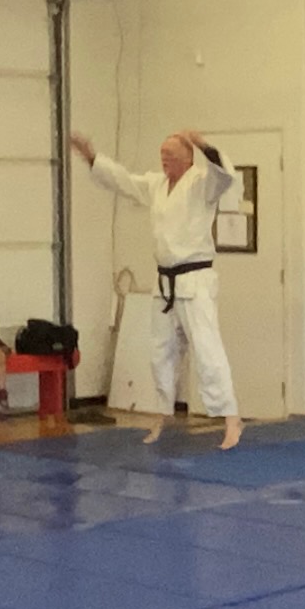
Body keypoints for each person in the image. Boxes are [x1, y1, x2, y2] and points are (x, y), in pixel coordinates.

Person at [71, 126, 242, 450]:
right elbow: (122, 180)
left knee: (207, 350)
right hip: (165, 282)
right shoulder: (156, 185)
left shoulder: (201, 183)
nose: (164, 160)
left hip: (196, 280)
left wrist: (203, 143)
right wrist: (91, 156)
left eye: (171, 155)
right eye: (162, 154)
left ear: (189, 158)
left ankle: (231, 418)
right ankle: (164, 414)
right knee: (160, 352)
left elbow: (225, 175)